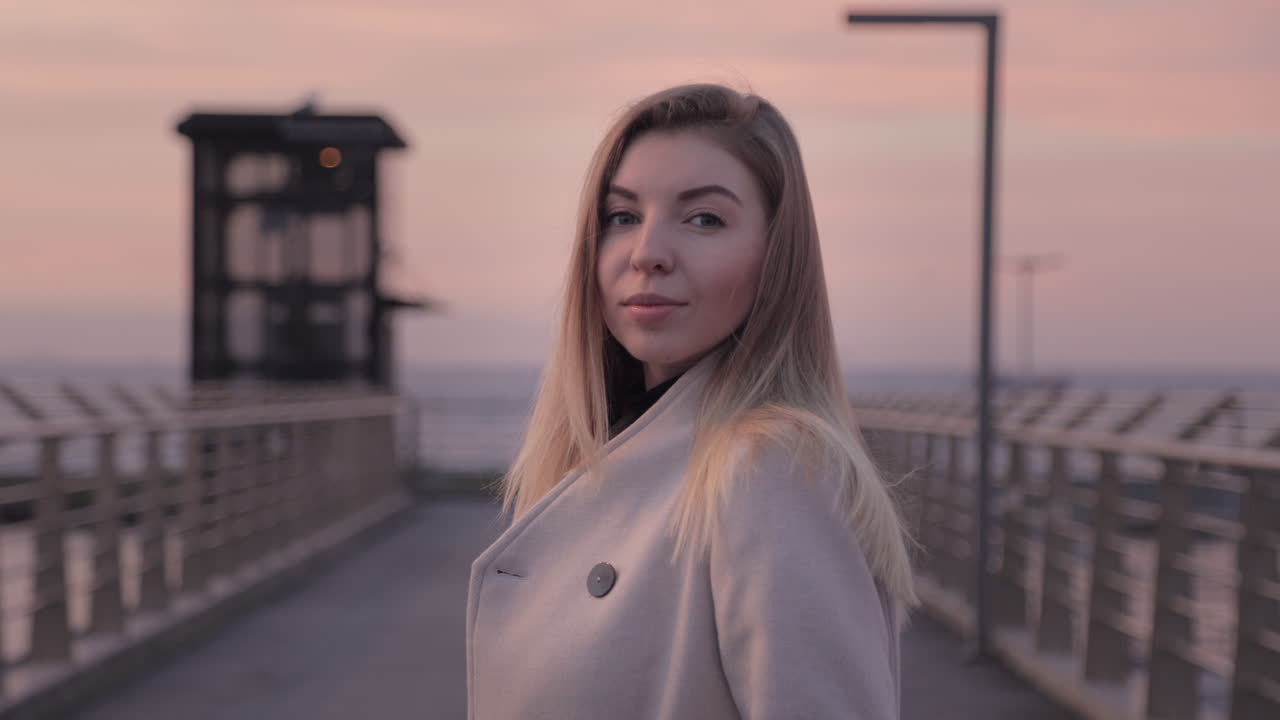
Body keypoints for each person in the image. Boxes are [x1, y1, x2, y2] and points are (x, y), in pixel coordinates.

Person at [466, 83, 917, 719]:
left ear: (776, 258)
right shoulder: (612, 451)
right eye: (623, 217)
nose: (648, 254)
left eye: (703, 218)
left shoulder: (768, 468)